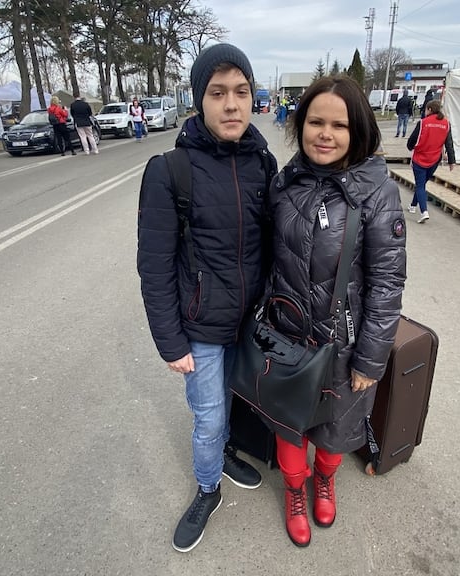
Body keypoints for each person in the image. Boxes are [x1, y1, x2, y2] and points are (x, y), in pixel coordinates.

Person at [137, 43, 275, 554]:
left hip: (251, 323)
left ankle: (227, 454)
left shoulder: (263, 161)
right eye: (218, 93)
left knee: (239, 404)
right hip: (200, 326)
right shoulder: (170, 170)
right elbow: (153, 266)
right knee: (209, 416)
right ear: (200, 100)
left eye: (241, 91)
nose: (232, 105)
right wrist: (171, 343)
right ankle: (208, 486)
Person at [264, 75, 405, 547]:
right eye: (315, 122)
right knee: (291, 429)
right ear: (300, 124)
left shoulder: (377, 193)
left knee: (334, 430)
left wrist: (371, 357)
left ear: (357, 130)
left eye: (338, 125)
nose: (325, 133)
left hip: (344, 345)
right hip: (287, 340)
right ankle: (294, 489)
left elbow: (387, 281)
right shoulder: (285, 183)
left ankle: (325, 479)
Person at [405, 99, 456, 223]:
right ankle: (412, 205)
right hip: (434, 160)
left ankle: (424, 211)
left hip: (420, 159)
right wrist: (451, 160)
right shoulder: (446, 124)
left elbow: (412, 140)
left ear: (430, 110)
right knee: (421, 184)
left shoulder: (423, 123)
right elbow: (449, 143)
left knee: (420, 185)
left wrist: (410, 147)